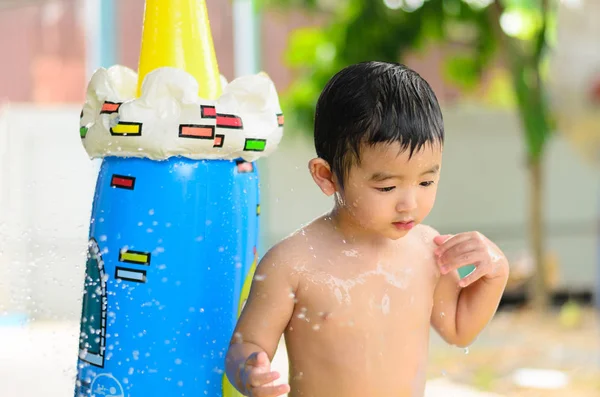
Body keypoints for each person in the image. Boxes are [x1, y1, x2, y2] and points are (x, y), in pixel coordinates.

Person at [224, 61, 509, 397]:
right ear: (327, 176)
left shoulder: (428, 251)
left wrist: (497, 271)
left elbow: (459, 329)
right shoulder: (292, 264)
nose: (409, 203)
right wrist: (250, 371)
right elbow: (247, 344)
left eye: (427, 181)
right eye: (387, 188)